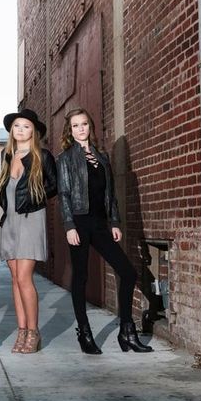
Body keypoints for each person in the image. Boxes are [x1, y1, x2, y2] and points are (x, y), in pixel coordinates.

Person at [56, 107, 153, 355]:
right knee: (81, 277)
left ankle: (126, 331)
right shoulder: (66, 158)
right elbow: (64, 194)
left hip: (100, 224)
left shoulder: (102, 157)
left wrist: (114, 222)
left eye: (84, 124)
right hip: (78, 222)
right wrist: (68, 226)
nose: (81, 129)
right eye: (76, 125)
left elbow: (109, 194)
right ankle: (84, 333)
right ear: (71, 130)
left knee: (128, 272)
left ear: (91, 127)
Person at [0, 109, 57, 354]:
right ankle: (21, 331)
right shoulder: (6, 155)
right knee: (14, 279)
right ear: (12, 131)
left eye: (26, 126)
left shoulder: (42, 156)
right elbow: (4, 190)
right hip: (9, 221)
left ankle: (34, 332)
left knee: (24, 278)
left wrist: (34, 199)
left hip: (31, 219)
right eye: (17, 126)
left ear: (34, 131)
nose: (21, 130)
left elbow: (53, 186)